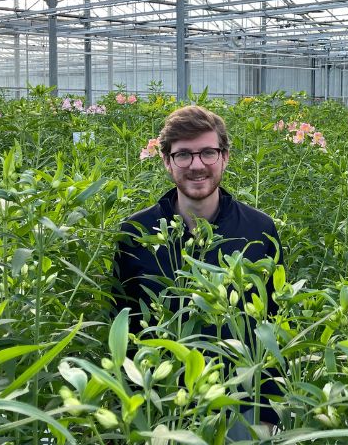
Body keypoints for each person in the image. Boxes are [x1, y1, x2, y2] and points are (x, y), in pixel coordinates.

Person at [113, 104, 282, 323]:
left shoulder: (259, 229)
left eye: (208, 153)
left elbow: (276, 319)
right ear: (167, 161)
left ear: (225, 157)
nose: (196, 165)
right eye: (183, 155)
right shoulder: (135, 232)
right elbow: (121, 321)